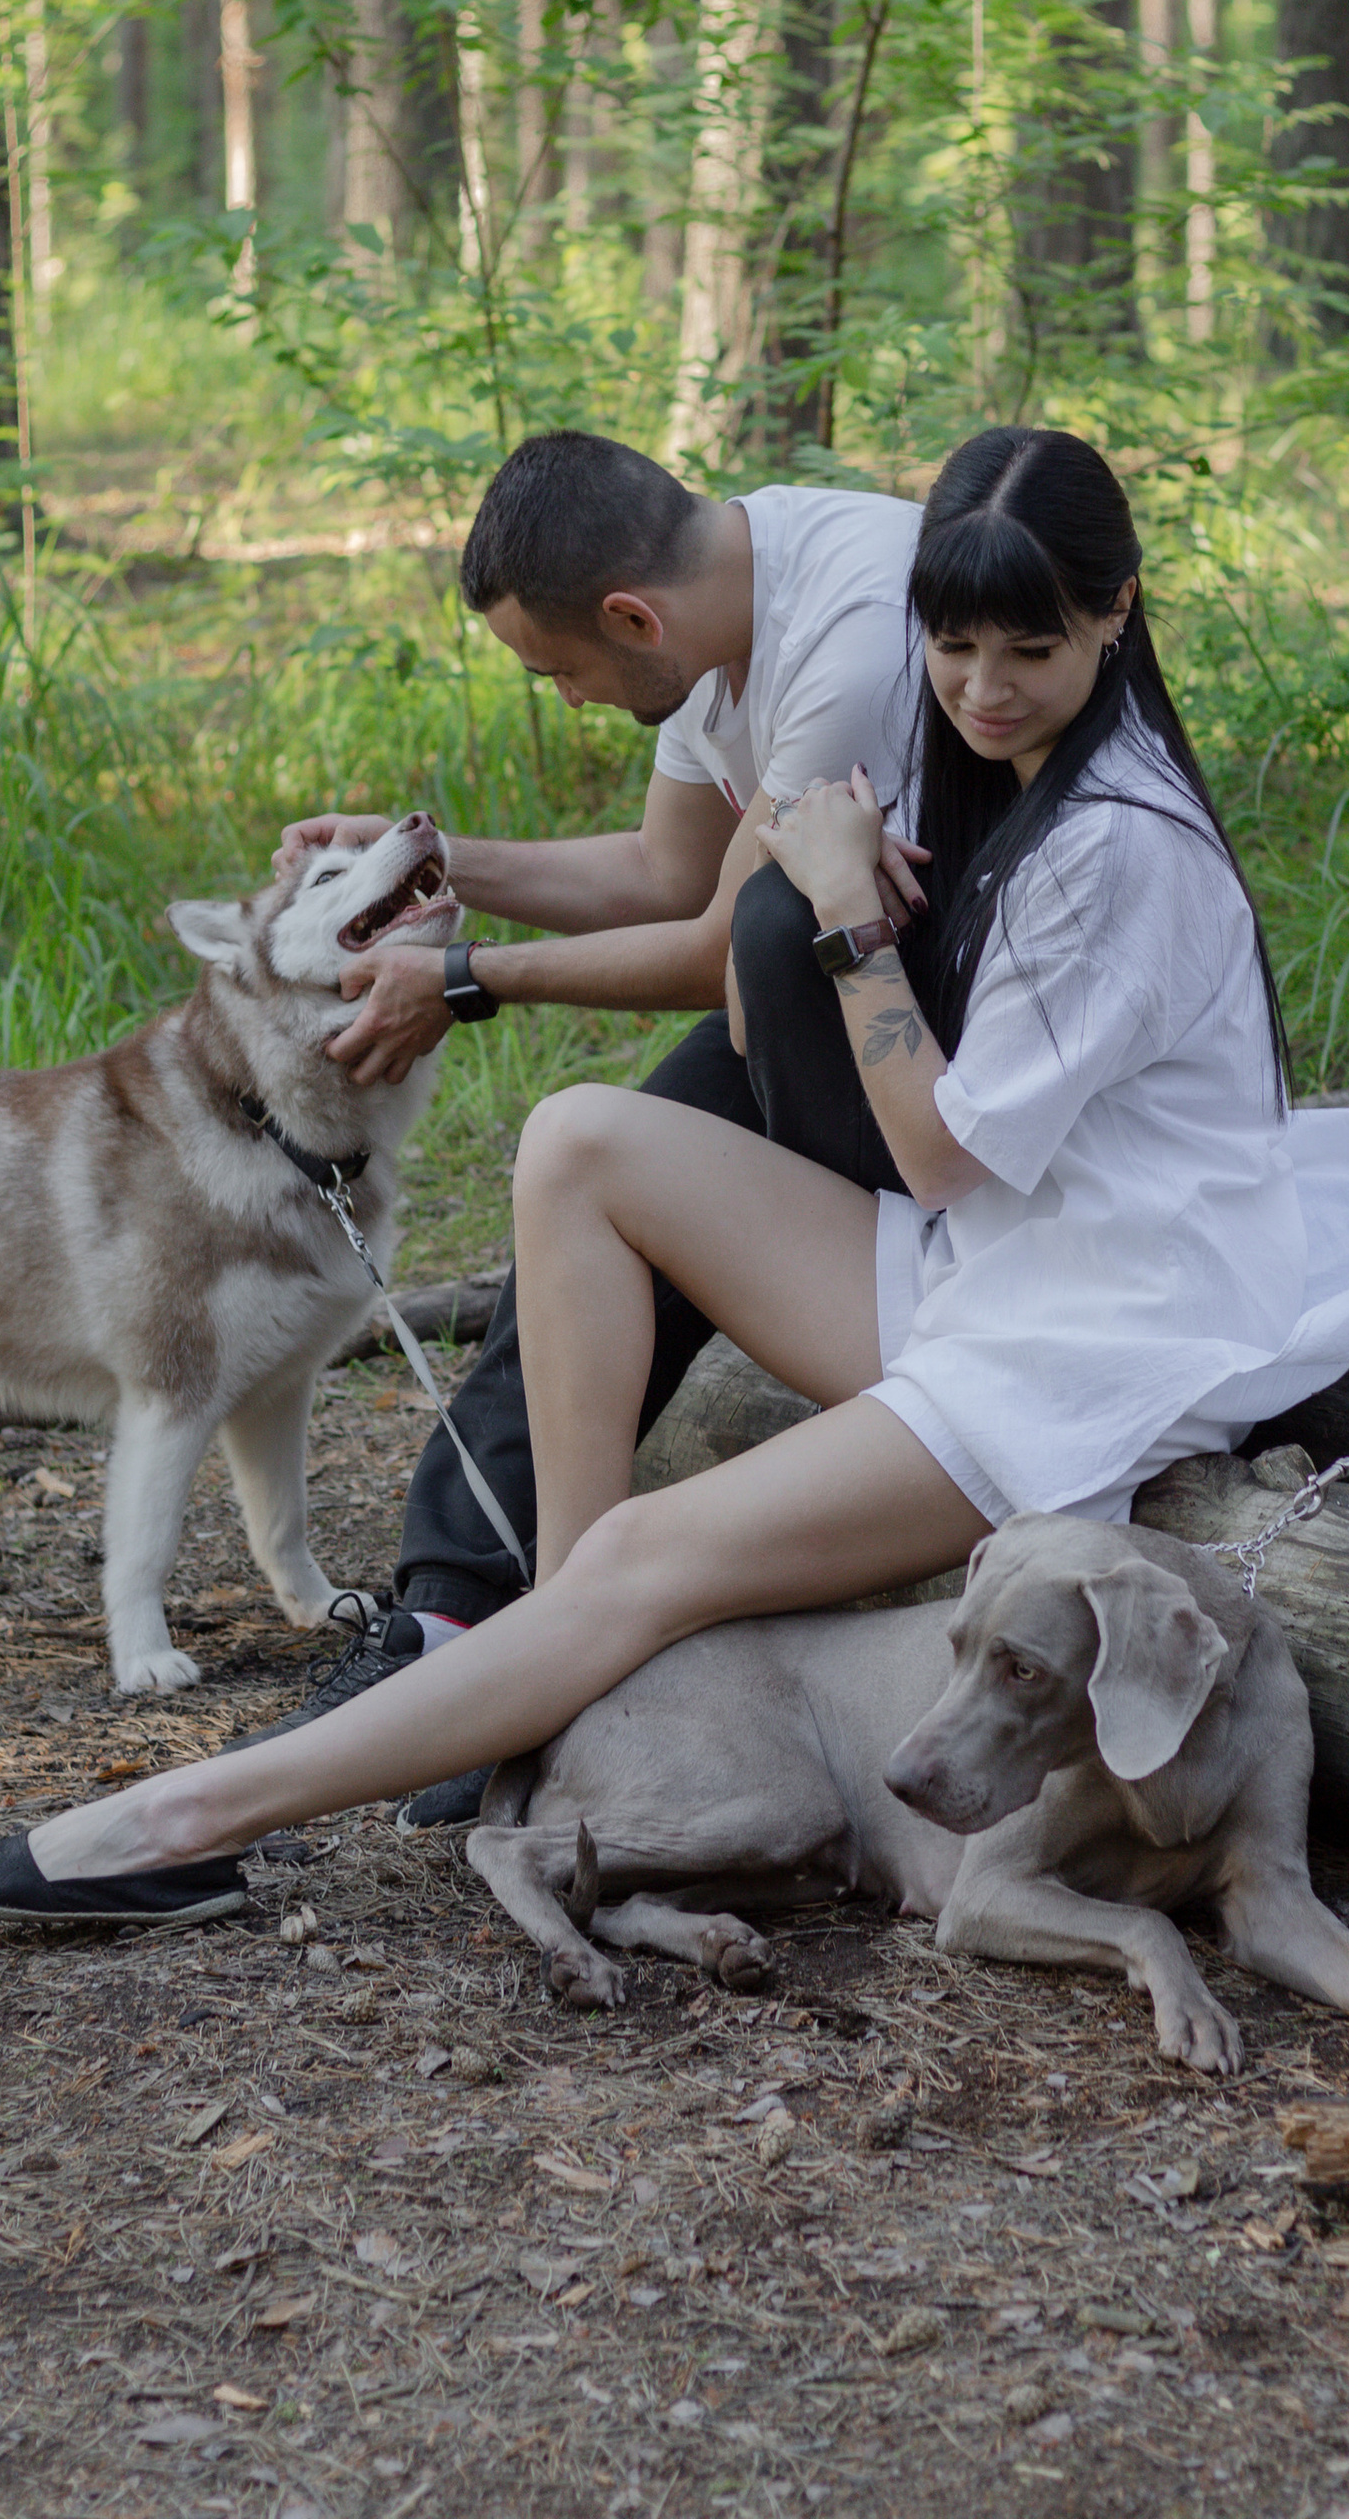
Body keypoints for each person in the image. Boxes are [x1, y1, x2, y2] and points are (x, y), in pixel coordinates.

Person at [0, 426, 1349, 1935]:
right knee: (580, 1140)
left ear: (1117, 614)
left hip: (1101, 1334)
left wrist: (846, 905)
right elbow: (693, 891)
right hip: (998, 1260)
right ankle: (574, 1651)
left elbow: (928, 1140)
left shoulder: (1124, 841)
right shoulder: (1017, 763)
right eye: (957, 649)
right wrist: (477, 872)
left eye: (1028, 653)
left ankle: (177, 1823)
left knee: (654, 1552)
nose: (982, 690)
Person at [234, 426, 932, 1818]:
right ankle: (453, 1616)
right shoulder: (713, 597)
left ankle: (544, 1641)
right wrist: (420, 865)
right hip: (820, 1011)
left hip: (936, 1046)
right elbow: (662, 871)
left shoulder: (849, 639)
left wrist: (462, 981)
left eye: (558, 672)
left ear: (630, 618)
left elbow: (728, 940)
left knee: (647, 1153)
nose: (561, 698)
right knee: (596, 1188)